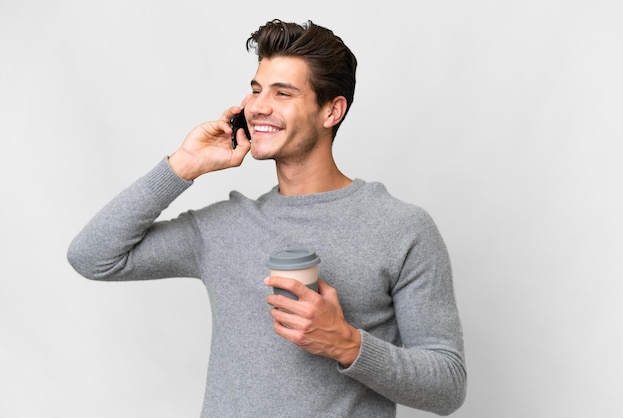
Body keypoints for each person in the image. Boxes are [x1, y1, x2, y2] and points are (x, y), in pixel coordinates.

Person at [67, 19, 466, 417]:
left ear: (331, 111)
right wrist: (183, 166)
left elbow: (447, 388)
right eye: (256, 90)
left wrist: (345, 342)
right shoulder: (223, 227)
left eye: (283, 92)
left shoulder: (401, 228)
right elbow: (93, 256)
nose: (257, 105)